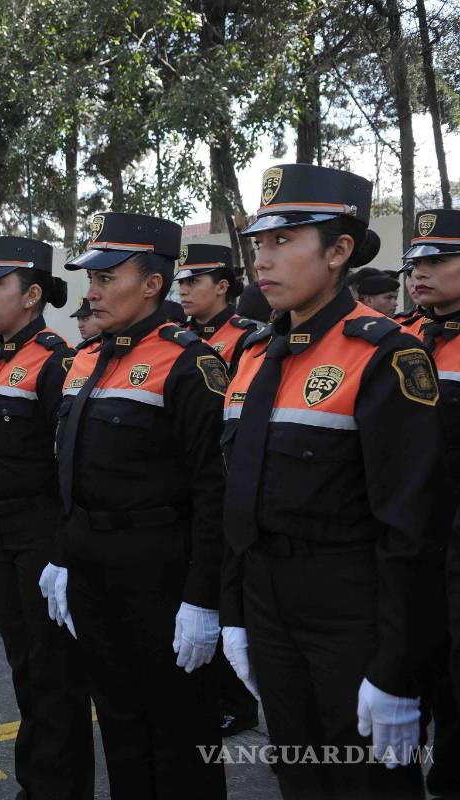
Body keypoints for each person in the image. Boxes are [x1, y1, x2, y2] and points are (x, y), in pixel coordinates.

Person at [220, 165, 445, 798]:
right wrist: (236, 611)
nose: (263, 258)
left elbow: (411, 531)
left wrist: (399, 671)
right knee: (300, 776)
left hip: (350, 613)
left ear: (339, 250)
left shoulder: (383, 356)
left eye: (283, 240)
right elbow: (235, 492)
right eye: (258, 243)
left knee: (365, 785)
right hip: (268, 605)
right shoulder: (256, 355)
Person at [48, 214, 228, 798]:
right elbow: (69, 470)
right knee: (119, 720)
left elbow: (212, 490)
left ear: (153, 284)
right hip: (93, 567)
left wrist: (203, 598)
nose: (92, 291)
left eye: (107, 276)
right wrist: (63, 556)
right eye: (89, 277)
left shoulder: (190, 364)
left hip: (159, 571)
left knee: (179, 728)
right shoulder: (87, 358)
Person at [0, 236, 94, 799]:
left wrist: (62, 549)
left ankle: (60, 787)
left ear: (33, 295)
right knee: (21, 662)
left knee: (53, 670)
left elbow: (64, 463)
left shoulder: (54, 359)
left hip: (39, 531)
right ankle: (36, 779)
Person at [401, 208, 460, 797]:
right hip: (413, 536)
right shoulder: (404, 339)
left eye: (438, 261)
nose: (420, 273)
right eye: (415, 262)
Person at [176, 243, 255, 368]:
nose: (182, 291)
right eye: (181, 282)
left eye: (193, 281)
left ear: (222, 287)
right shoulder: (178, 334)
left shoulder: (245, 337)